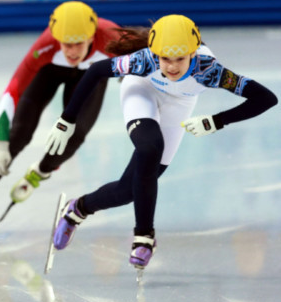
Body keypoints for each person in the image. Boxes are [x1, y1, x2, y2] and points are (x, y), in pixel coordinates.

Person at [46, 14, 277, 270]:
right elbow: (96, 71)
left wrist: (216, 121)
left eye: (180, 59)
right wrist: (66, 120)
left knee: (128, 190)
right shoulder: (144, 60)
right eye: (166, 59)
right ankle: (144, 238)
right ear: (156, 54)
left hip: (180, 103)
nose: (173, 67)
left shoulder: (209, 70)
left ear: (193, 53)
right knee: (149, 147)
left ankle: (77, 209)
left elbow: (266, 98)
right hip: (142, 90)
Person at [0, 1, 122, 231]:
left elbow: (152, 55)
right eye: (66, 44)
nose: (72, 52)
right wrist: (0, 142)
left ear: (92, 37)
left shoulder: (112, 36)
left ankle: (39, 173)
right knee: (17, 135)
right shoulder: (46, 45)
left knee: (75, 134)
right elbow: (12, 91)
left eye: (78, 44)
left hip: (90, 76)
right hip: (48, 72)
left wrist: (131, 71)